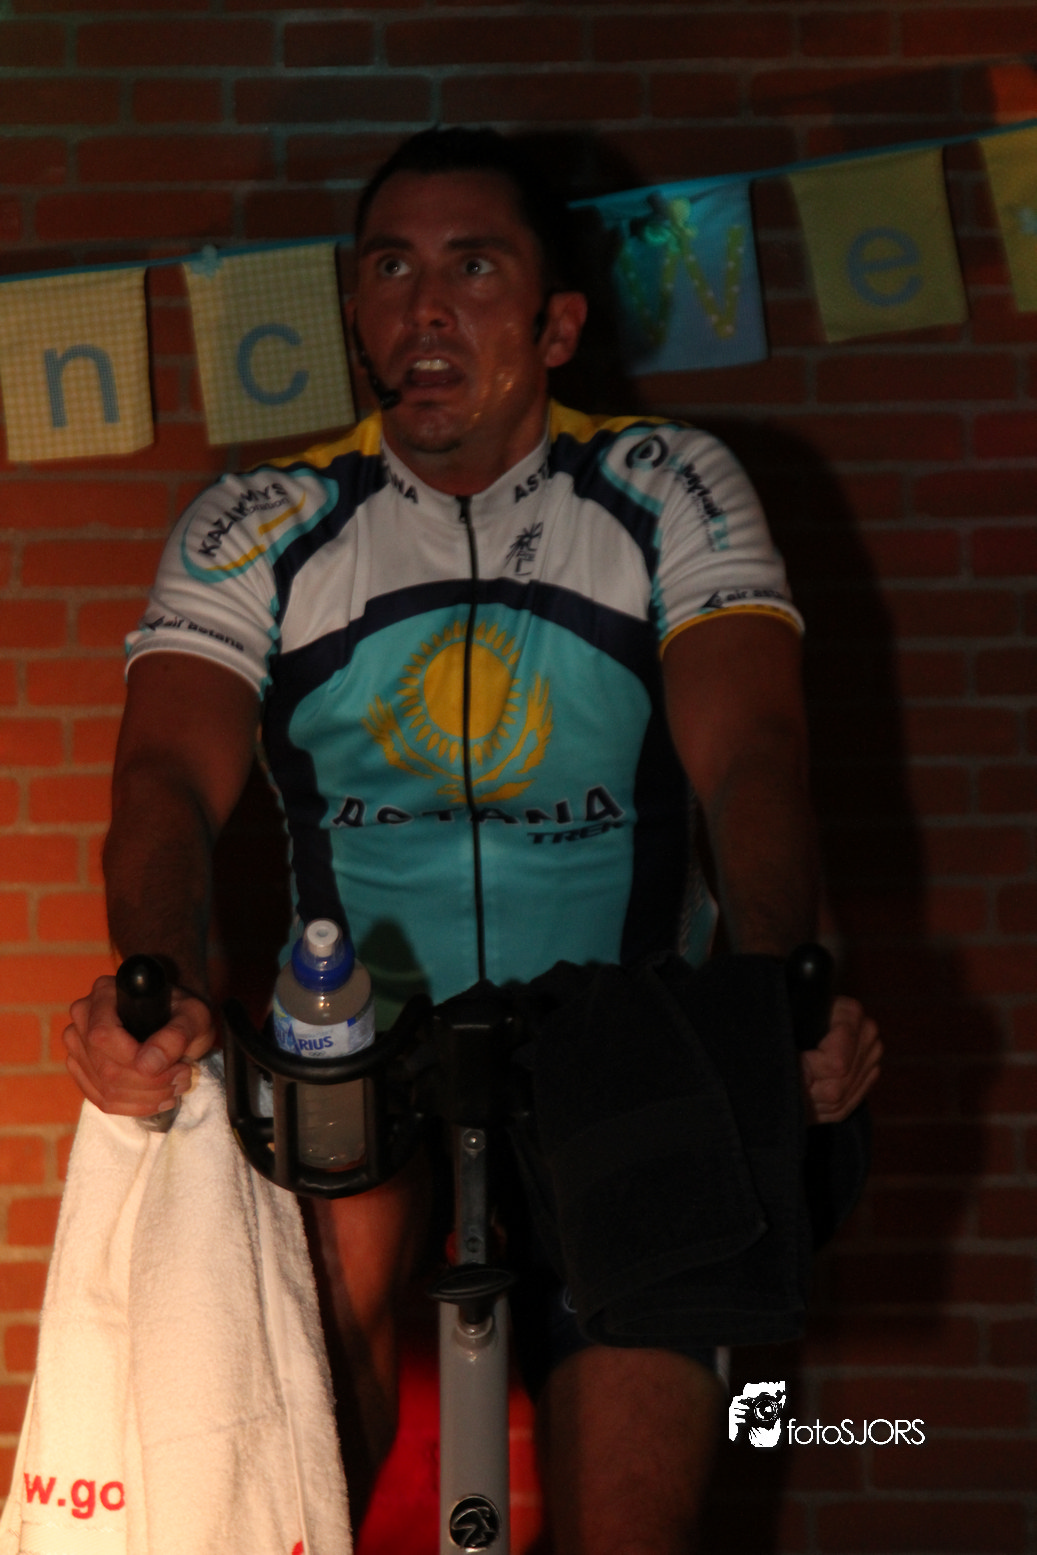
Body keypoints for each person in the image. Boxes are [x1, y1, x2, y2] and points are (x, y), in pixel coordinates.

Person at [64, 127, 880, 1552]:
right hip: (356, 1030)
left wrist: (776, 996)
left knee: (642, 1508)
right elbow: (164, 783)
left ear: (557, 325)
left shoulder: (667, 484)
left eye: (475, 268)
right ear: (355, 315)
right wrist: (159, 981)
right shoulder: (261, 520)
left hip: (630, 1028)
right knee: (295, 1439)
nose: (426, 308)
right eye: (392, 270)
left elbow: (753, 759)